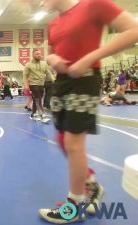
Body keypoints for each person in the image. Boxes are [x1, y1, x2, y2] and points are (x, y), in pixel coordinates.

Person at [39, 0, 138, 223]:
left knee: (74, 144)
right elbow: (51, 51)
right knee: (64, 140)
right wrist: (52, 58)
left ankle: (73, 207)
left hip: (85, 80)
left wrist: (91, 57)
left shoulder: (93, 4)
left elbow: (133, 30)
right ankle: (91, 184)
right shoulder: (53, 23)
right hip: (61, 82)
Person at [23, 49, 52, 122]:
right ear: (33, 55)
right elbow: (25, 75)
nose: (39, 55)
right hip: (33, 84)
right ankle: (43, 115)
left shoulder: (44, 64)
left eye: (40, 54)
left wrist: (54, 81)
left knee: (37, 99)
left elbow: (49, 73)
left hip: (41, 84)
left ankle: (33, 114)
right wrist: (26, 85)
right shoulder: (28, 64)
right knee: (38, 99)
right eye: (37, 54)